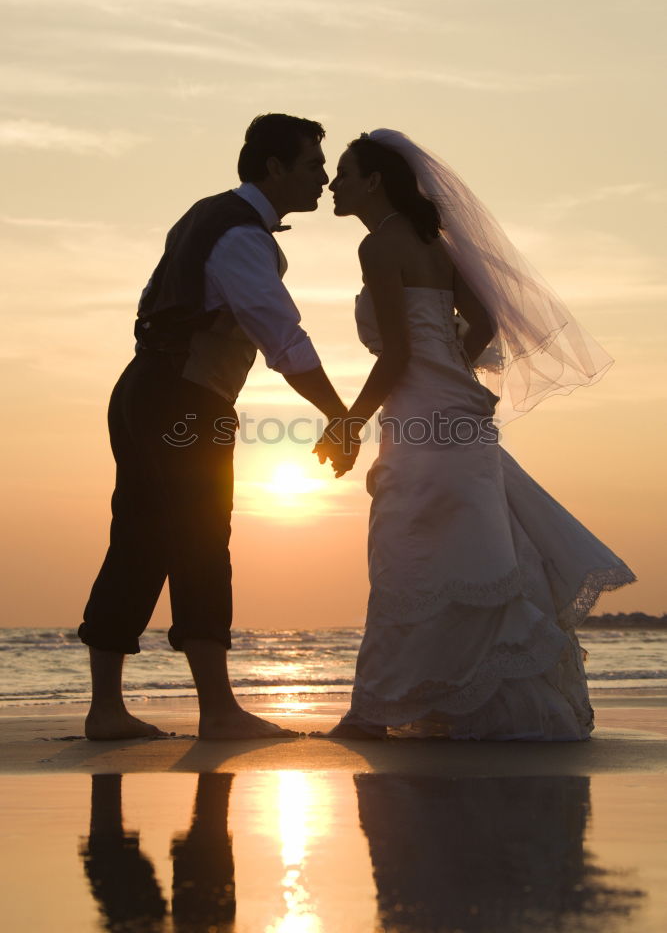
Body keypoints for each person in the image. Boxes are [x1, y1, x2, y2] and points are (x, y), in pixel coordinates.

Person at [316, 129, 635, 740]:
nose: (336, 183)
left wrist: (347, 425)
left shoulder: (380, 247)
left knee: (408, 550)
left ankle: (377, 711)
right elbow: (484, 321)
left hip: (421, 421)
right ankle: (456, 701)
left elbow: (397, 355)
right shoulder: (434, 244)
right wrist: (453, 370)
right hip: (458, 414)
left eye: (347, 173)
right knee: (472, 552)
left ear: (375, 181)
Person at [79, 113, 352, 741]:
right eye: (313, 163)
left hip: (145, 391)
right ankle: (219, 712)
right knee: (202, 540)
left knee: (140, 538)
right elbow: (282, 336)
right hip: (185, 399)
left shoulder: (205, 215)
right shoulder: (241, 237)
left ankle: (106, 710)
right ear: (275, 168)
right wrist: (338, 415)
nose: (322, 176)